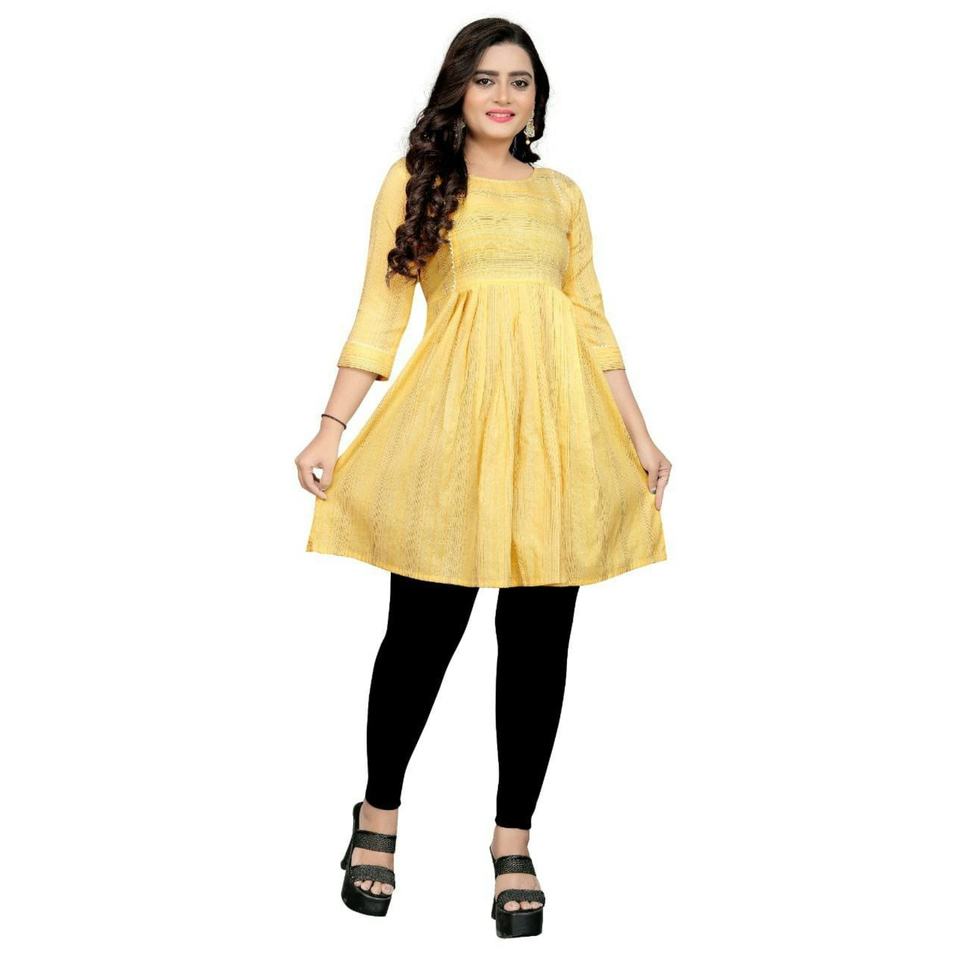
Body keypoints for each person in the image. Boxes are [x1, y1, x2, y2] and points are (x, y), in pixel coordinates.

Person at [294, 18, 670, 938]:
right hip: (454, 431)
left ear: (538, 99)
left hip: (558, 436)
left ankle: (513, 840)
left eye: (521, 81)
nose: (505, 95)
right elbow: (381, 311)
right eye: (487, 78)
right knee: (422, 635)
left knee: (539, 643)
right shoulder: (419, 181)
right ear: (457, 88)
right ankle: (378, 813)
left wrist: (641, 435)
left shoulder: (563, 196)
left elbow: (590, 318)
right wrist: (331, 426)